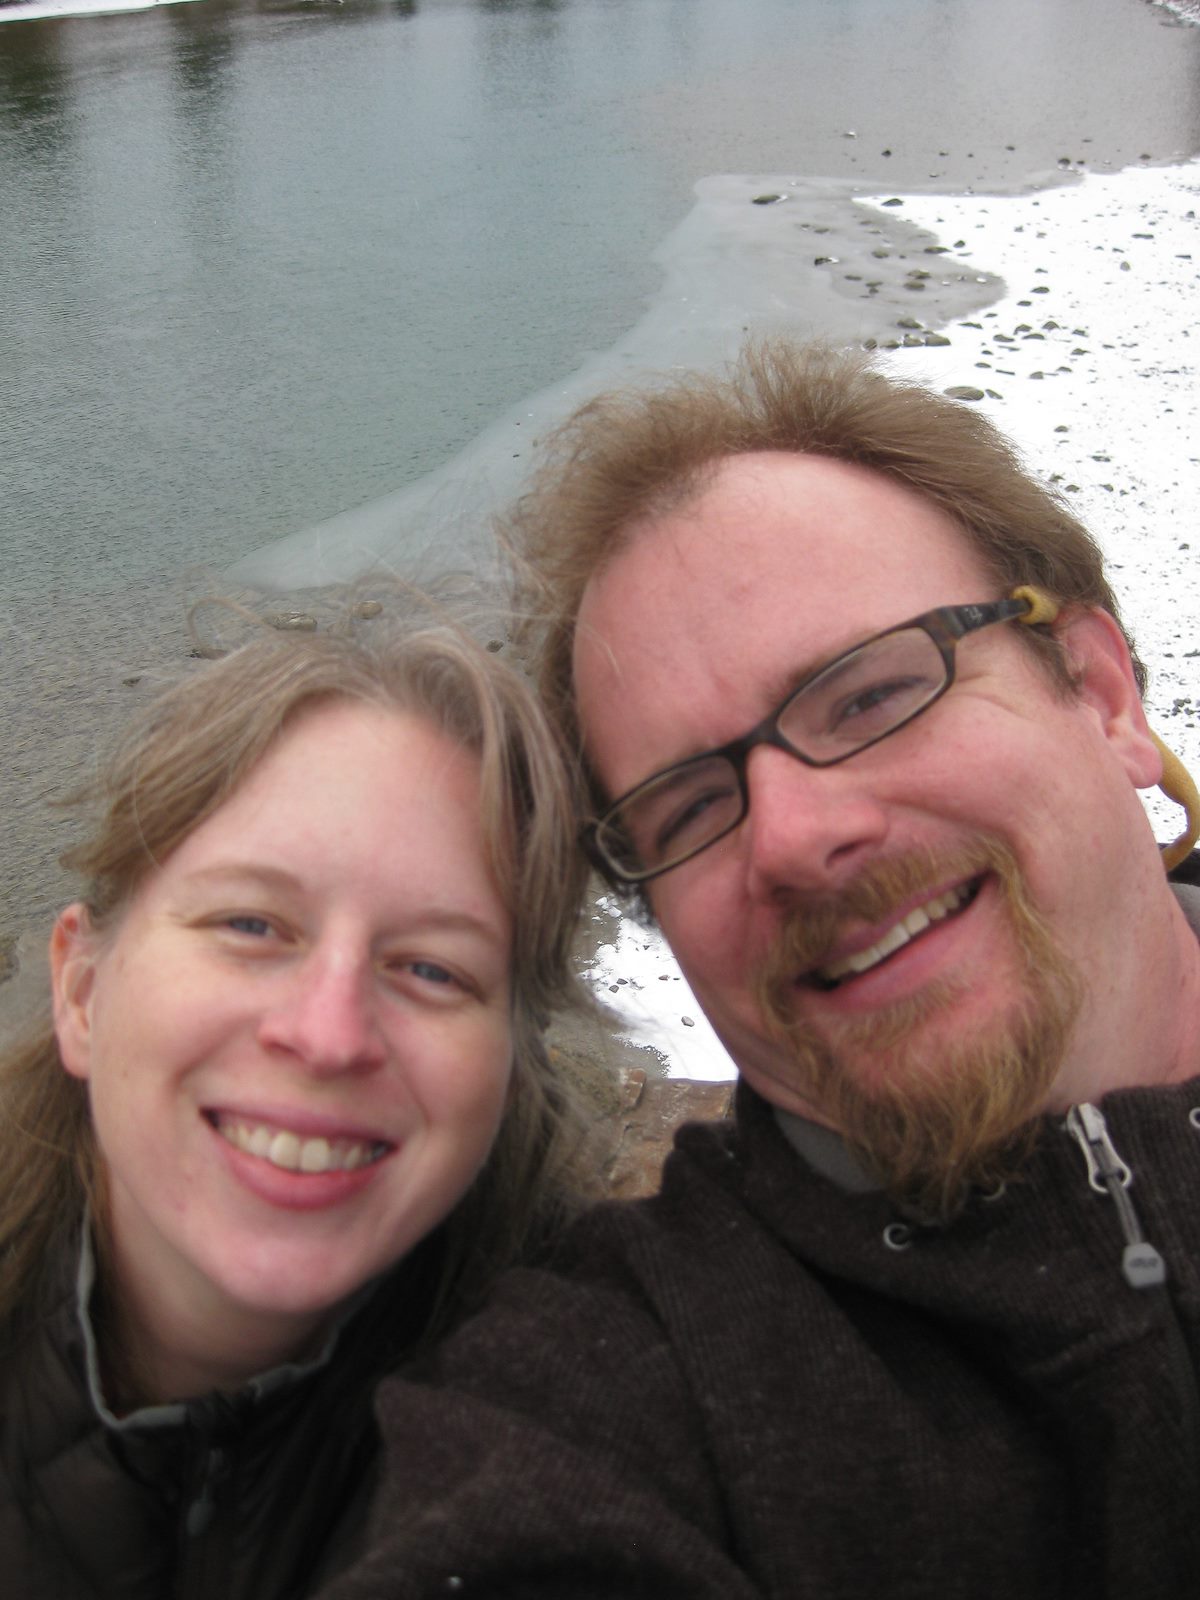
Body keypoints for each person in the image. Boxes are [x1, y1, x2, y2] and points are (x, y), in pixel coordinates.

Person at [322, 344, 1200, 1600]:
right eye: (687, 807)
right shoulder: (637, 1381)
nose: (790, 839)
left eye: (867, 695)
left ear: (1105, 696)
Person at [0, 601, 598, 1597]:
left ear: (509, 1070)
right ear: (81, 990)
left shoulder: (590, 1425)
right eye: (251, 923)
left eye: (433, 969)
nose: (327, 1036)